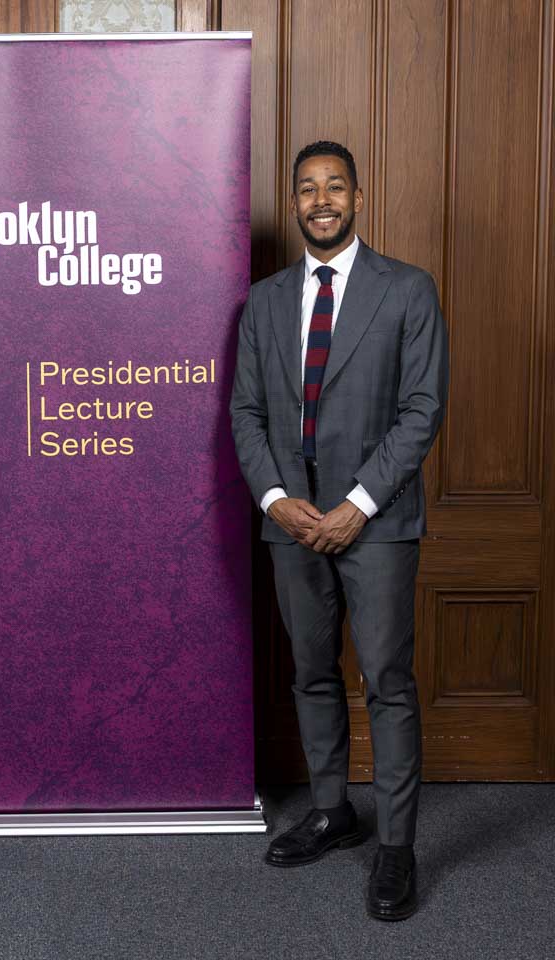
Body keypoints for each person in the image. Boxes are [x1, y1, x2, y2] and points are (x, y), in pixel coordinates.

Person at [230, 140, 448, 921]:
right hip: (291, 520)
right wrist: (276, 498)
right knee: (312, 672)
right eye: (306, 189)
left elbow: (421, 410)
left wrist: (358, 502)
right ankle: (333, 810)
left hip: (377, 524)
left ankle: (396, 845)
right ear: (293, 203)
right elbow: (246, 413)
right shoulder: (262, 302)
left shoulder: (408, 291)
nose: (321, 200)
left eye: (334, 187)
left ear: (359, 196)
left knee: (386, 682)